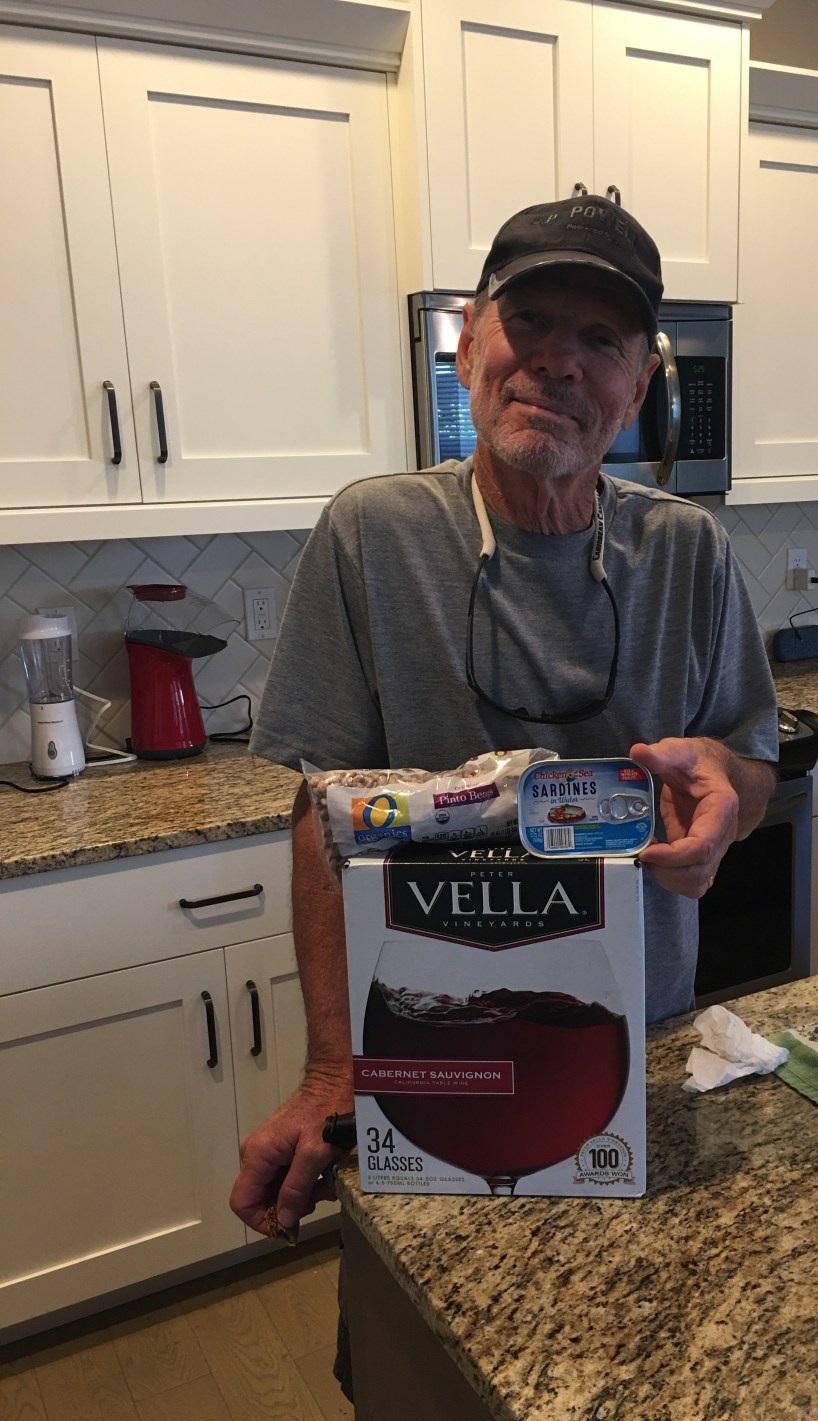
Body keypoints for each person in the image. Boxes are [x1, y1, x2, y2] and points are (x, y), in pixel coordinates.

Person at [230, 194, 778, 1253]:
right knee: (425, 1322)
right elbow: (323, 813)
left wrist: (722, 781)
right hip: (429, 1036)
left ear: (637, 387)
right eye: (529, 321)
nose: (558, 360)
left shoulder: (688, 550)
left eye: (600, 339)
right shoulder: (374, 534)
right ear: (469, 346)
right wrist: (334, 1069)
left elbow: (747, 771)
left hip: (630, 1034)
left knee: (642, 1304)